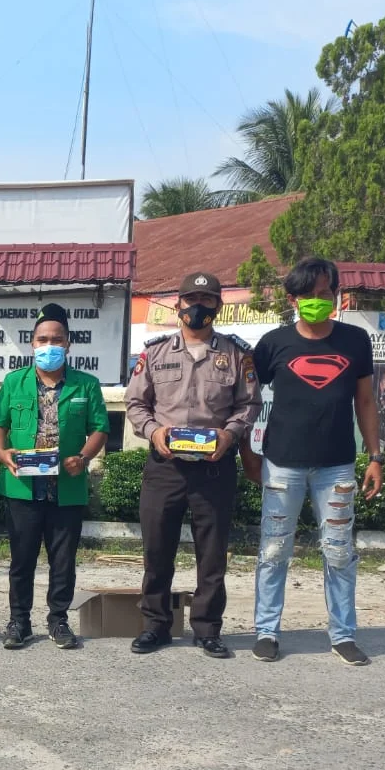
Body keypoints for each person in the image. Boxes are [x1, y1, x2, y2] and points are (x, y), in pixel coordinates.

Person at [251, 256, 385, 666]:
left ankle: (343, 635)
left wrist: (375, 457)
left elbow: (366, 401)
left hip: (337, 466)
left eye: (325, 293)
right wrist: (246, 452)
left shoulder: (355, 341)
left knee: (339, 551)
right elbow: (247, 400)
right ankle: (266, 631)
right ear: (292, 299)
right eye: (308, 294)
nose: (318, 300)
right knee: (274, 550)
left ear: (336, 295)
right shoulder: (273, 344)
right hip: (281, 464)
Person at [126, 274, 261, 659]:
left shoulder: (236, 355)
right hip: (165, 466)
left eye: (206, 299)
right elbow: (136, 403)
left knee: (212, 554)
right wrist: (154, 432)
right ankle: (156, 625)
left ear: (218, 305)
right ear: (178, 305)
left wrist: (230, 435)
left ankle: (207, 629)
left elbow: (249, 404)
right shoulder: (155, 353)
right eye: (191, 299)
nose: (197, 306)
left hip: (214, 468)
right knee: (156, 550)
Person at [0, 303, 109, 649]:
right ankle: (19, 622)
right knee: (21, 560)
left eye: (57, 339)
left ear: (68, 343)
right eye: (43, 340)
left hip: (66, 487)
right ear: (32, 343)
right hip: (22, 486)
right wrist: (2, 453)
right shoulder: (14, 382)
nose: (49, 345)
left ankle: (58, 620)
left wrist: (83, 457)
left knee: (63, 561)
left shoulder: (86, 385)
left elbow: (100, 428)